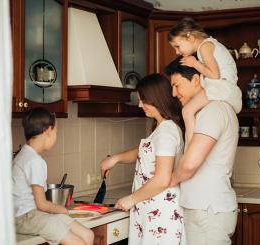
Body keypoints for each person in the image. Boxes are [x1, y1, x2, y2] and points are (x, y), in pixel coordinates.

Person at [100, 73, 186, 245]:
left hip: (161, 213)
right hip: (153, 209)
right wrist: (115, 159)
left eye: (144, 100)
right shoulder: (162, 127)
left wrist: (131, 199)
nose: (140, 105)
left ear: (157, 98)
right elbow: (144, 152)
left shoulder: (167, 131)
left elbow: (162, 179)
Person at [165, 57, 239, 245]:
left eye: (176, 85)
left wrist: (169, 180)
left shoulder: (215, 109)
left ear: (196, 80)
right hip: (201, 206)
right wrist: (188, 113)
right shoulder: (202, 111)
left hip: (209, 210)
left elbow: (190, 164)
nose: (173, 93)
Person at [12, 107, 94, 245]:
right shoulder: (34, 161)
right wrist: (62, 209)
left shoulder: (25, 155)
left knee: (88, 235)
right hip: (25, 218)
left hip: (32, 215)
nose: (56, 135)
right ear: (48, 131)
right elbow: (42, 204)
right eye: (56, 132)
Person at [168, 17, 242, 147]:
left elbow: (214, 75)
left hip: (221, 87)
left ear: (190, 38)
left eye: (178, 46)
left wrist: (195, 63)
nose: (177, 52)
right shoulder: (209, 45)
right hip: (226, 88)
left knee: (187, 111)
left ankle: (189, 149)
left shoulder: (205, 47)